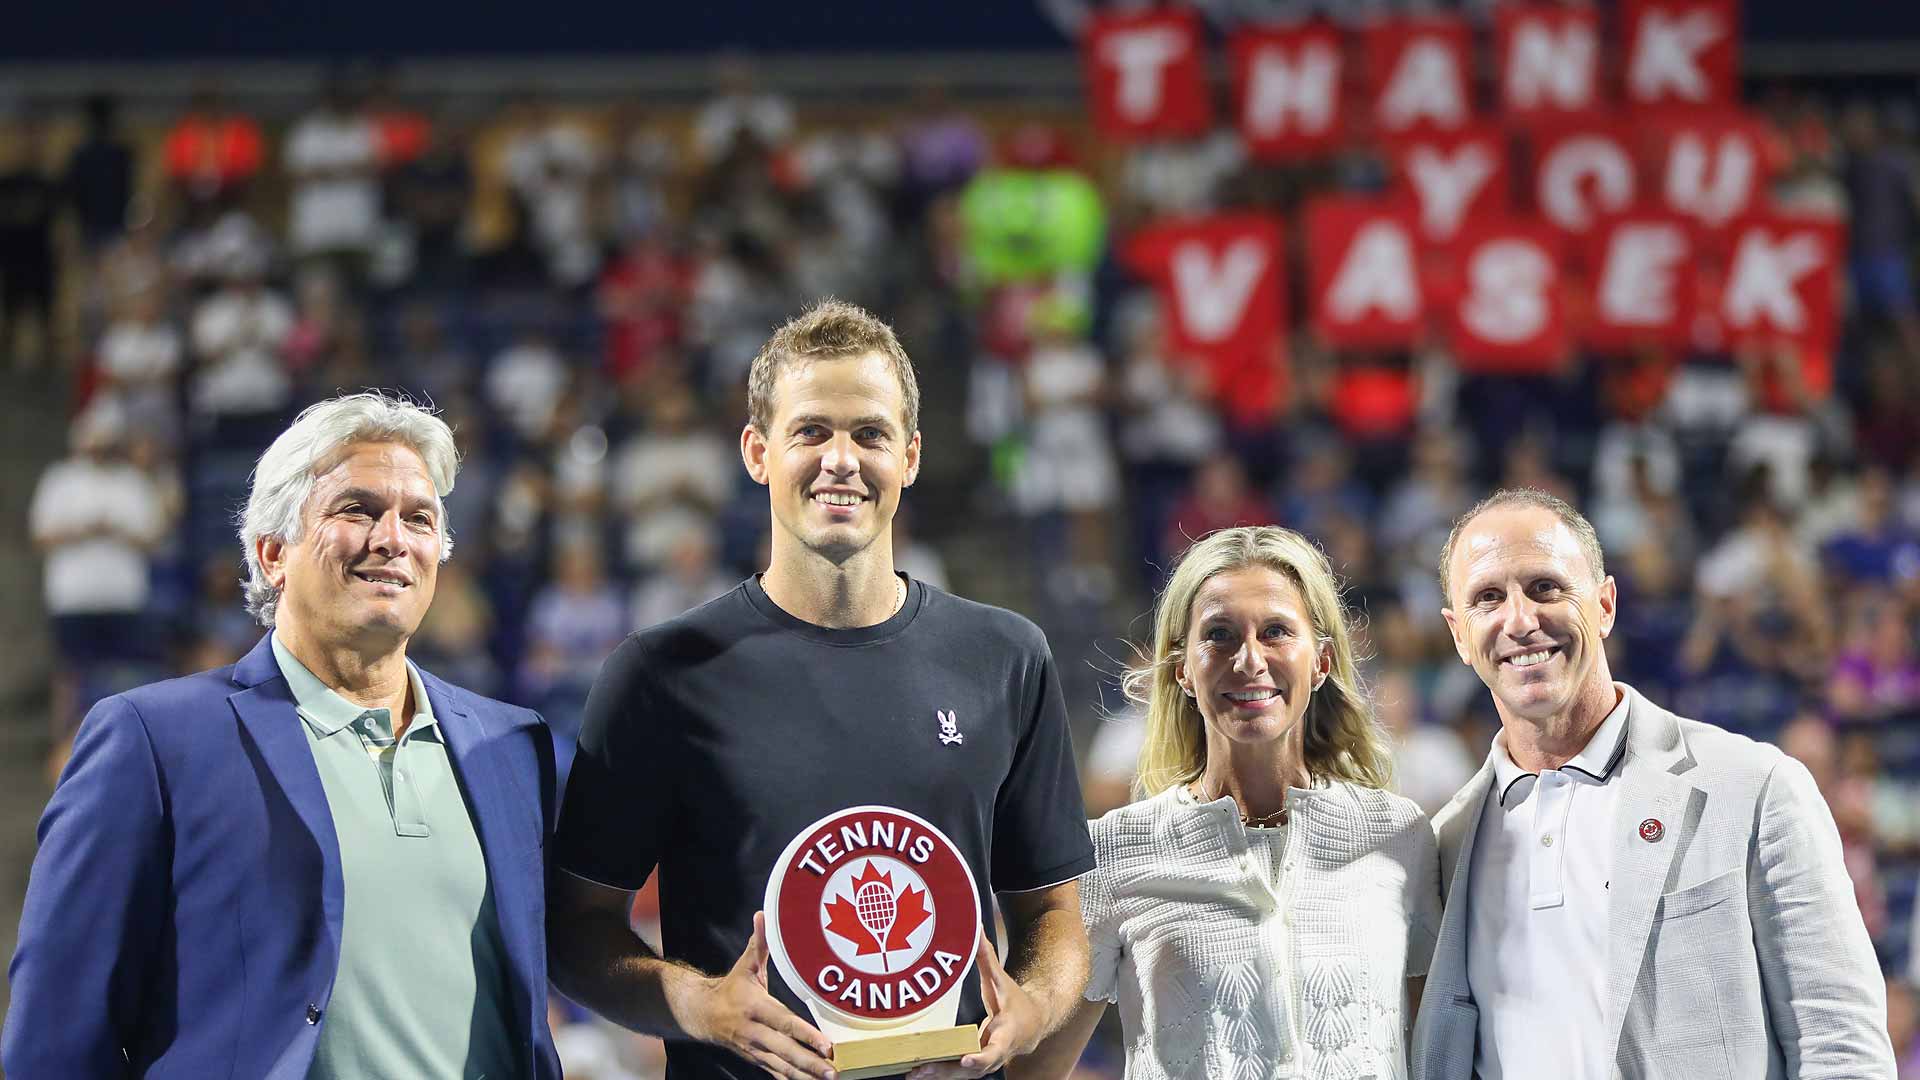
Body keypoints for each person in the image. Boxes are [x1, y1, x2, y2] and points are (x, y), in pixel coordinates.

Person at [548, 299, 1096, 1080]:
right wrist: (700, 1005)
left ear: (908, 458)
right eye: (811, 430)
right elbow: (575, 929)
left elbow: (1054, 916)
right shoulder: (660, 675)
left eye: (869, 433)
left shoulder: (1005, 657)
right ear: (757, 451)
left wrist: (1032, 1010)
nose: (841, 458)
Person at [4, 393, 562, 1079]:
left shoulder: (509, 746)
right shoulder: (152, 742)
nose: (392, 538)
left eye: (419, 519)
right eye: (357, 509)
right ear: (273, 553)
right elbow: (55, 1038)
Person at [1411, 488, 1894, 1080]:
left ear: (1605, 605)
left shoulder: (1757, 788)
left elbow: (1841, 1045)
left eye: (1545, 588)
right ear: (1459, 635)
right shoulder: (1448, 843)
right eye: (1489, 598)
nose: (1520, 620)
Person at [1017, 525, 1440, 1080]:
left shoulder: (1397, 835)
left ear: (1322, 662)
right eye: (1219, 634)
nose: (1249, 660)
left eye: (1276, 632)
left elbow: (1437, 1049)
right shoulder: (1114, 851)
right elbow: (1032, 1072)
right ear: (1182, 670)